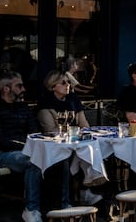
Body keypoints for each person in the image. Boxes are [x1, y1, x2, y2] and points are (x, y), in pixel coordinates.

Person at [0, 71, 69, 222]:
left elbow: (34, 132)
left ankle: (63, 206)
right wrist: (28, 147)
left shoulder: (23, 107)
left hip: (26, 150)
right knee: (33, 161)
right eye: (19, 86)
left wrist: (33, 146)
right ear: (6, 89)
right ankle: (31, 210)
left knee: (61, 158)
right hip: (0, 154)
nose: (23, 89)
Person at [35, 70, 101, 205]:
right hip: (54, 146)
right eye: (63, 82)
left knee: (91, 149)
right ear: (53, 86)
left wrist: (81, 134)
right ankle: (71, 197)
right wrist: (74, 134)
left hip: (74, 141)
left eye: (69, 82)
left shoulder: (73, 99)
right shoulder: (45, 103)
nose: (68, 85)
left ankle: (84, 191)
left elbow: (84, 124)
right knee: (70, 157)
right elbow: (50, 130)